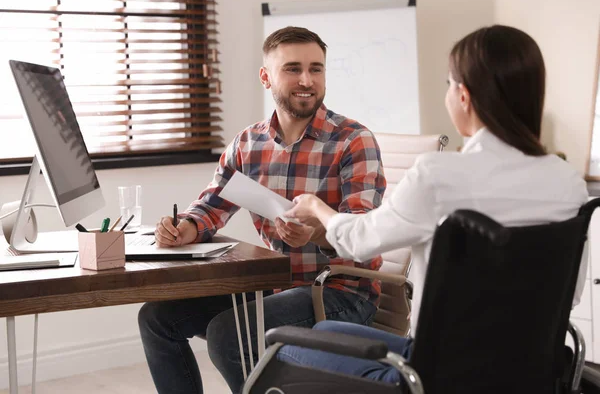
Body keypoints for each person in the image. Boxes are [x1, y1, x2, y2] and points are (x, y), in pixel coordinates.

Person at [277, 25, 589, 384]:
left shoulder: (439, 175)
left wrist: (317, 207)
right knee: (329, 330)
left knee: (282, 350)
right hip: (529, 368)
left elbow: (358, 241)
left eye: (448, 85)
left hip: (437, 374)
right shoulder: (566, 180)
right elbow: (573, 294)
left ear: (464, 96)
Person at [138, 26, 386, 394]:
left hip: (340, 293)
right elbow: (211, 206)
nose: (307, 80)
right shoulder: (248, 143)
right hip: (273, 288)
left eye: (316, 69)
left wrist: (316, 233)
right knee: (157, 316)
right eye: (293, 69)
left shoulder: (353, 141)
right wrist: (185, 227)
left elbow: (363, 235)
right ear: (265, 77)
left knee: (229, 335)